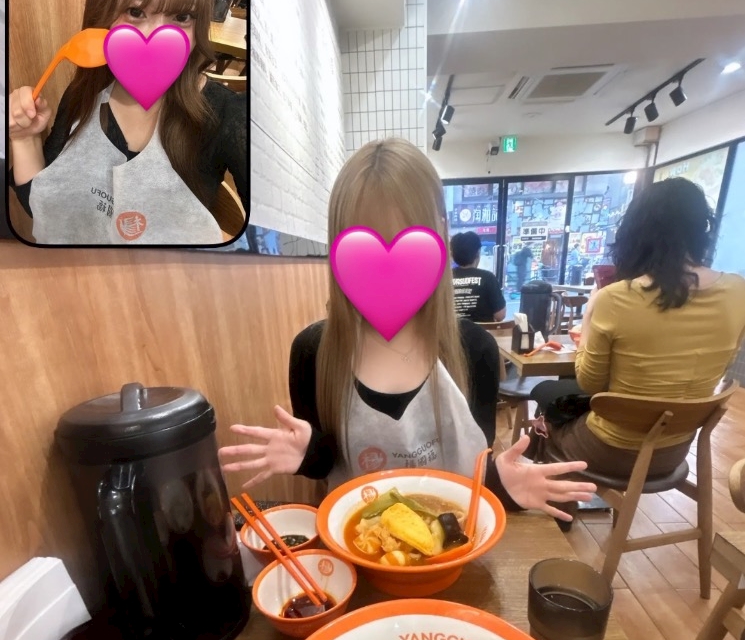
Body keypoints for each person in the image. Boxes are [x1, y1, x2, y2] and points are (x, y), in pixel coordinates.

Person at [219, 139, 596, 522]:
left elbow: (473, 469)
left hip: (449, 542)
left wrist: (503, 484)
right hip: (356, 543)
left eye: (407, 240)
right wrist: (305, 455)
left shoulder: (474, 349)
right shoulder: (313, 351)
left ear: (440, 236)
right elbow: (327, 463)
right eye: (366, 245)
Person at [8, 0, 247, 245]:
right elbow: (49, 209)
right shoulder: (84, 94)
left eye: (182, 16)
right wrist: (24, 138)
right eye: (136, 11)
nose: (155, 38)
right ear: (104, 9)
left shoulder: (229, 118)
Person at [531, 177, 745, 479]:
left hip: (611, 450)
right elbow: (723, 362)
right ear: (703, 229)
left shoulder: (616, 298)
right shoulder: (738, 291)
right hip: (676, 449)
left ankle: (548, 498)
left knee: (545, 415)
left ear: (635, 233)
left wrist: (591, 313)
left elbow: (590, 383)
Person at [450, 231, 507, 322]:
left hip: (452, 331)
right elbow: (500, 315)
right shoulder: (488, 277)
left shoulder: (444, 279)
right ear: (477, 253)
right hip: (483, 331)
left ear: (453, 255)